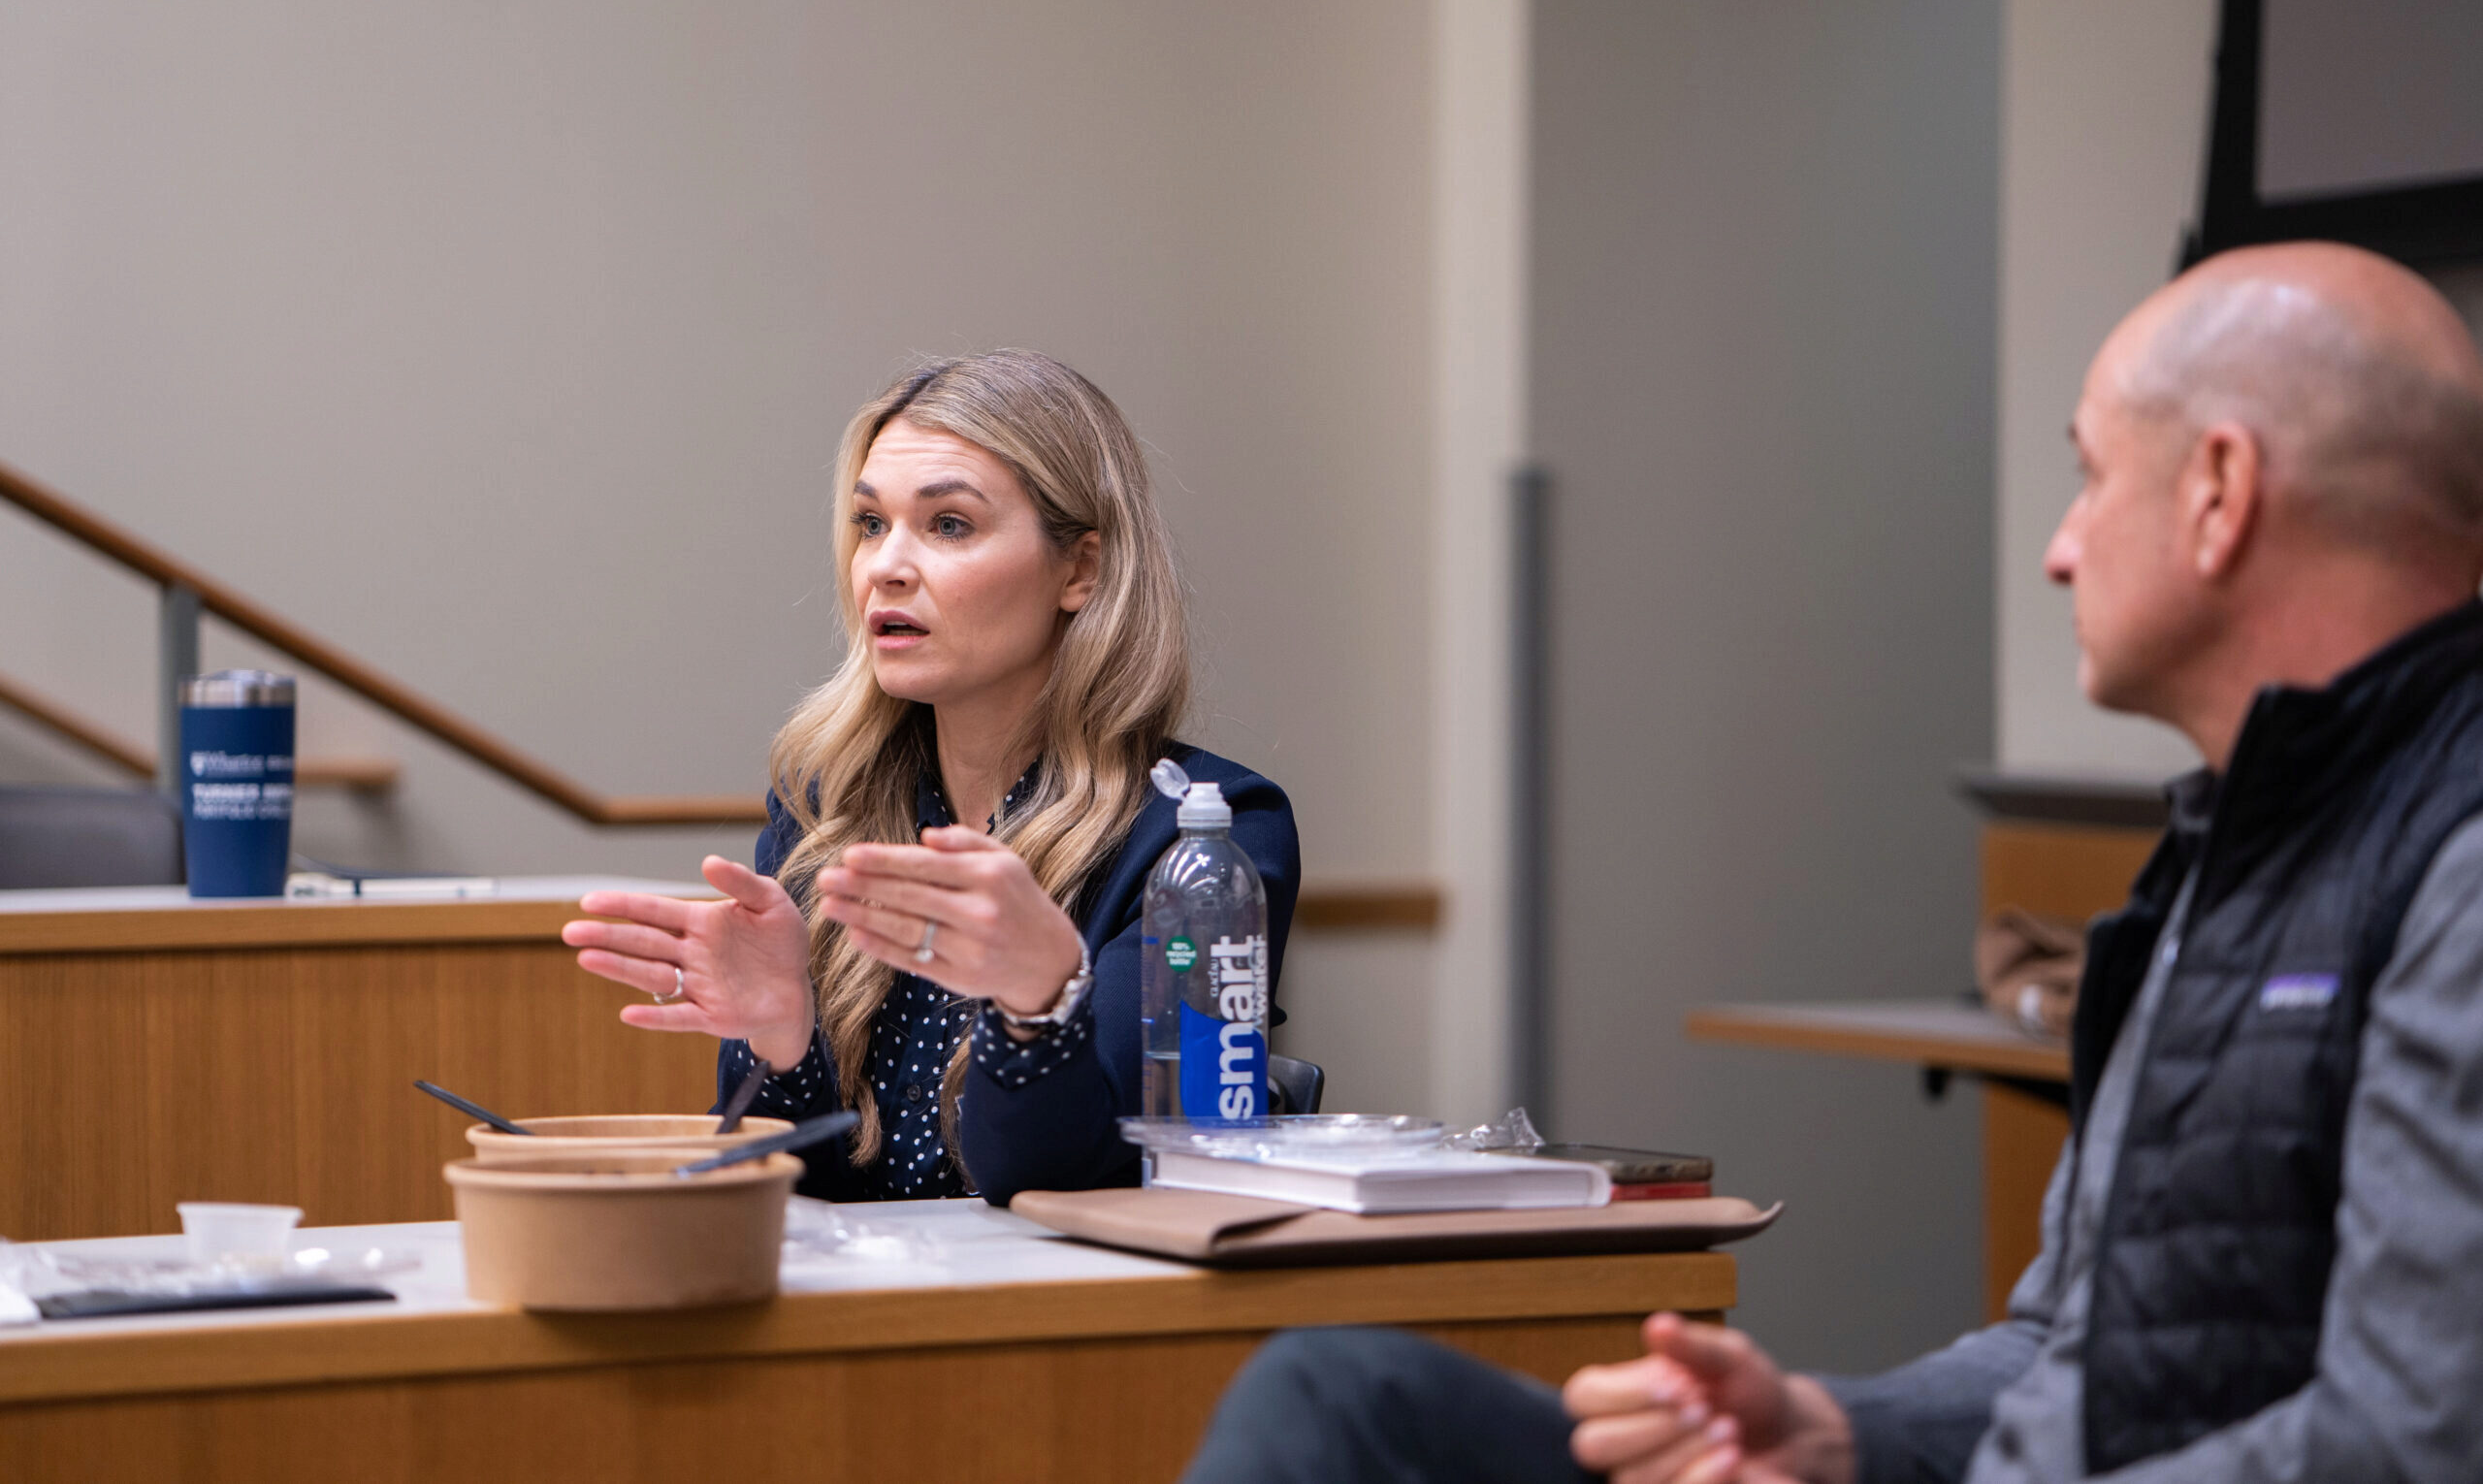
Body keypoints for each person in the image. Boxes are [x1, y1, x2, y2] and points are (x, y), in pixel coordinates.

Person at [1180, 241, 2483, 1483]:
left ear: (2218, 493)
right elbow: (2059, 1352)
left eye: (2090, 478)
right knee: (1342, 1400)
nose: (2060, 548)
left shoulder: (2454, 866)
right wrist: (1835, 1430)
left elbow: (2412, 1444)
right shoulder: (2230, 860)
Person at [563, 349, 1299, 1205]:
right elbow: (798, 1196)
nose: (885, 565)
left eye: (949, 524)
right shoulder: (825, 809)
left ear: (1080, 571)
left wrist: (1038, 1003)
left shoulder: (1206, 836)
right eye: (871, 523)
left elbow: (1060, 1181)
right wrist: (783, 1041)